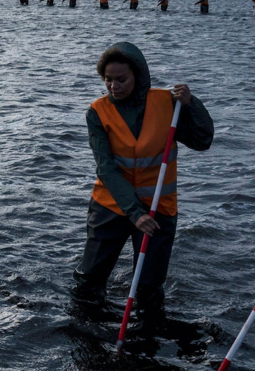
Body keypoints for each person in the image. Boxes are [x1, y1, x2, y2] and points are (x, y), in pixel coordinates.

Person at [74, 42, 214, 323]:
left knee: (149, 288)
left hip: (158, 207)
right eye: (108, 80)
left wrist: (192, 104)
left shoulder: (167, 104)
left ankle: (147, 336)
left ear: (138, 76)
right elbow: (106, 168)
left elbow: (202, 141)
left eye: (121, 79)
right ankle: (86, 330)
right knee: (90, 280)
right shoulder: (98, 112)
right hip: (111, 205)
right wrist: (135, 213)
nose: (114, 86)